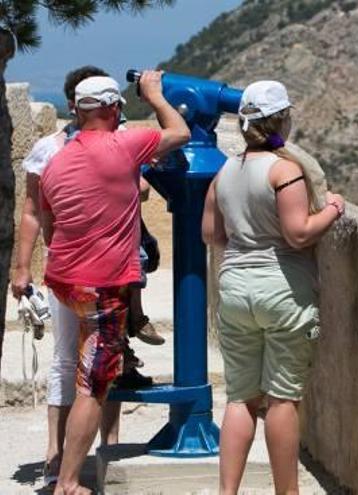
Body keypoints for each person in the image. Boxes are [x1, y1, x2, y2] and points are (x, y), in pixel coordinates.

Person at [40, 71, 190, 495]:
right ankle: (68, 483)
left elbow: (50, 230)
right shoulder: (124, 144)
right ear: (112, 109)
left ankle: (64, 468)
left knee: (84, 368)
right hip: (102, 286)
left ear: (75, 109)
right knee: (93, 385)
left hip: (65, 280)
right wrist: (154, 95)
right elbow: (177, 131)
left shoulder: (56, 162)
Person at [10, 65, 153, 486]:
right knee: (71, 364)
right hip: (84, 275)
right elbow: (33, 212)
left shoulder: (102, 146)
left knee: (104, 363)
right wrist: (21, 268)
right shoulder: (49, 149)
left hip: (86, 273)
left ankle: (107, 446)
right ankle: (59, 460)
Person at [201, 81, 344, 495]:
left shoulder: (225, 171)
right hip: (283, 291)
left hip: (235, 291)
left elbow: (211, 232)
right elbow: (299, 234)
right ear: (282, 119)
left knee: (240, 397)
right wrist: (334, 208)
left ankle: (227, 491)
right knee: (283, 398)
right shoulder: (285, 171)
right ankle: (287, 492)